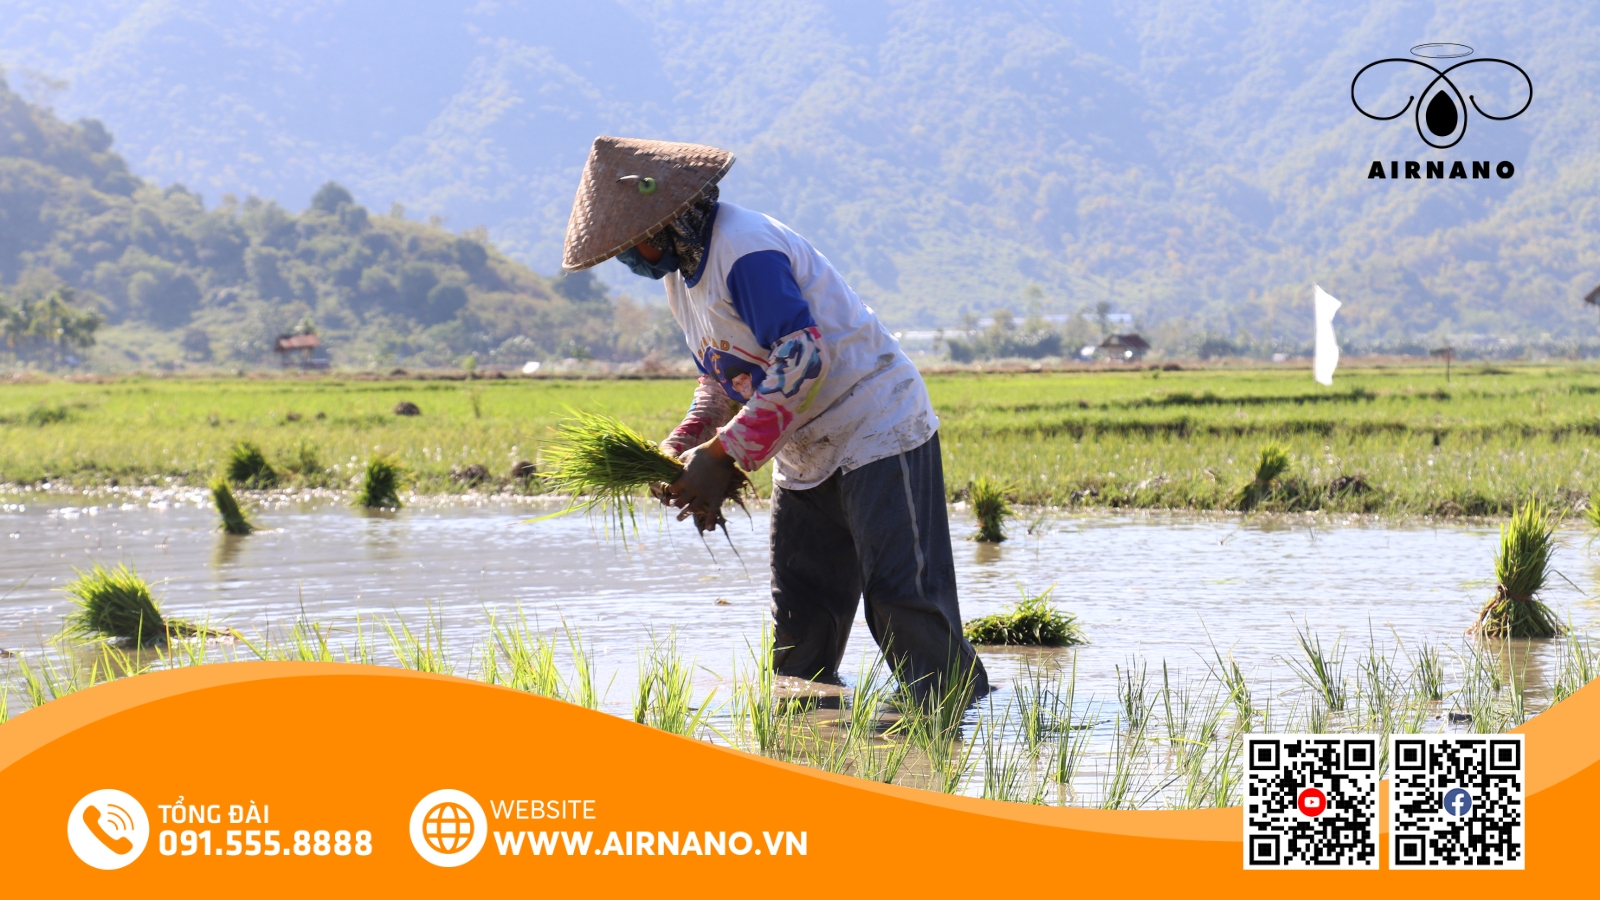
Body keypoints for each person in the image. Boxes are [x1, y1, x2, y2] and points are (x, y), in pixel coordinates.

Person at [561, 136, 987, 704]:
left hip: (872, 421)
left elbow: (802, 356)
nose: (625, 257)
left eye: (627, 244)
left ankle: (954, 720)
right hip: (803, 443)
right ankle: (810, 737)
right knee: (801, 615)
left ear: (661, 223)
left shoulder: (744, 249)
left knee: (900, 597)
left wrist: (724, 456)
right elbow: (723, 374)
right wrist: (687, 441)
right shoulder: (679, 279)